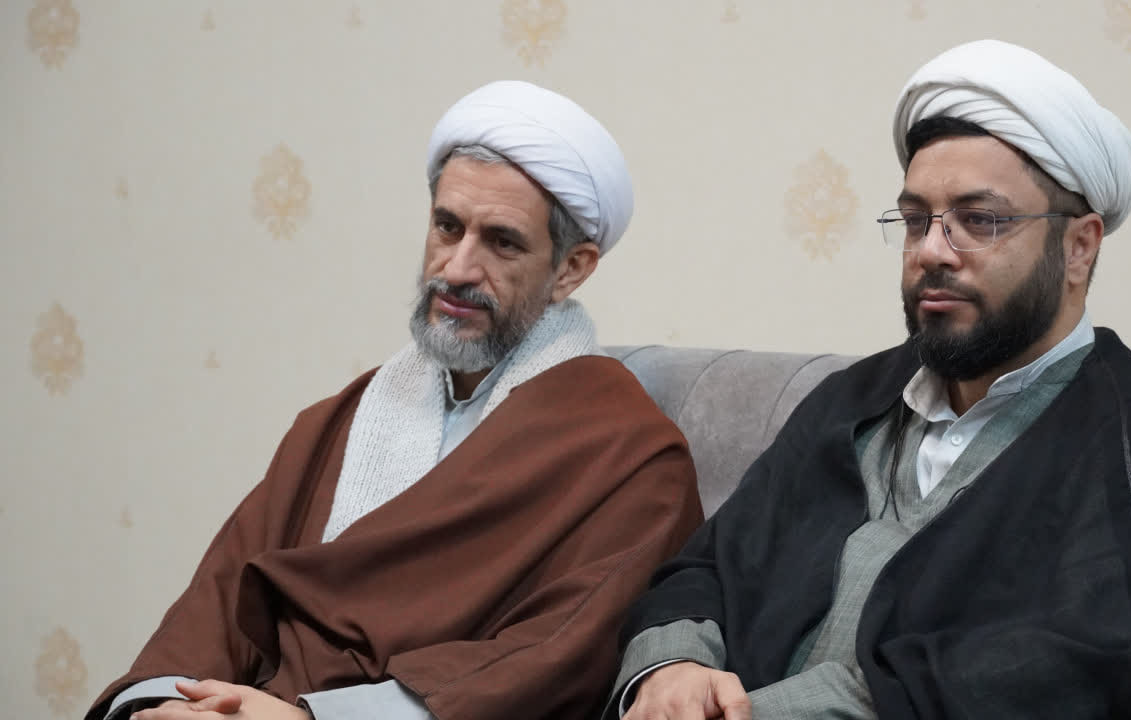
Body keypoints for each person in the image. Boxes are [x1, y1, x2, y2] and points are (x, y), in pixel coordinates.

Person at [613, 40, 1131, 719]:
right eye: (917, 221)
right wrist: (673, 665)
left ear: (1079, 247)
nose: (932, 251)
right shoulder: (851, 401)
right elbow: (707, 566)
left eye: (981, 220)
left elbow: (1074, 675)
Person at [87, 80, 703, 720]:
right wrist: (163, 701)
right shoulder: (338, 422)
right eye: (447, 227)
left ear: (571, 268)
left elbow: (556, 655)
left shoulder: (632, 457)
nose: (457, 269)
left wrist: (314, 718)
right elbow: (221, 597)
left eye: (502, 241)